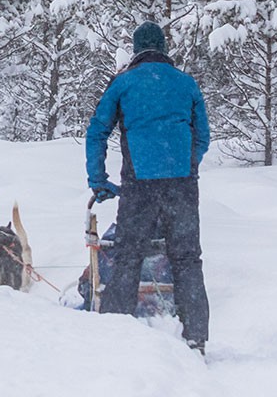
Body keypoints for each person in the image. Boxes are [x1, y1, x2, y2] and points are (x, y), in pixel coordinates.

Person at [85, 21, 211, 354]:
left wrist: (98, 181)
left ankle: (115, 334)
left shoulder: (123, 83)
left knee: (128, 257)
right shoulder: (186, 84)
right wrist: (187, 165)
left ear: (136, 50)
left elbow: (97, 132)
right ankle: (195, 339)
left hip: (138, 186)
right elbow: (203, 137)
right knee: (187, 259)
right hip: (182, 186)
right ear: (164, 48)